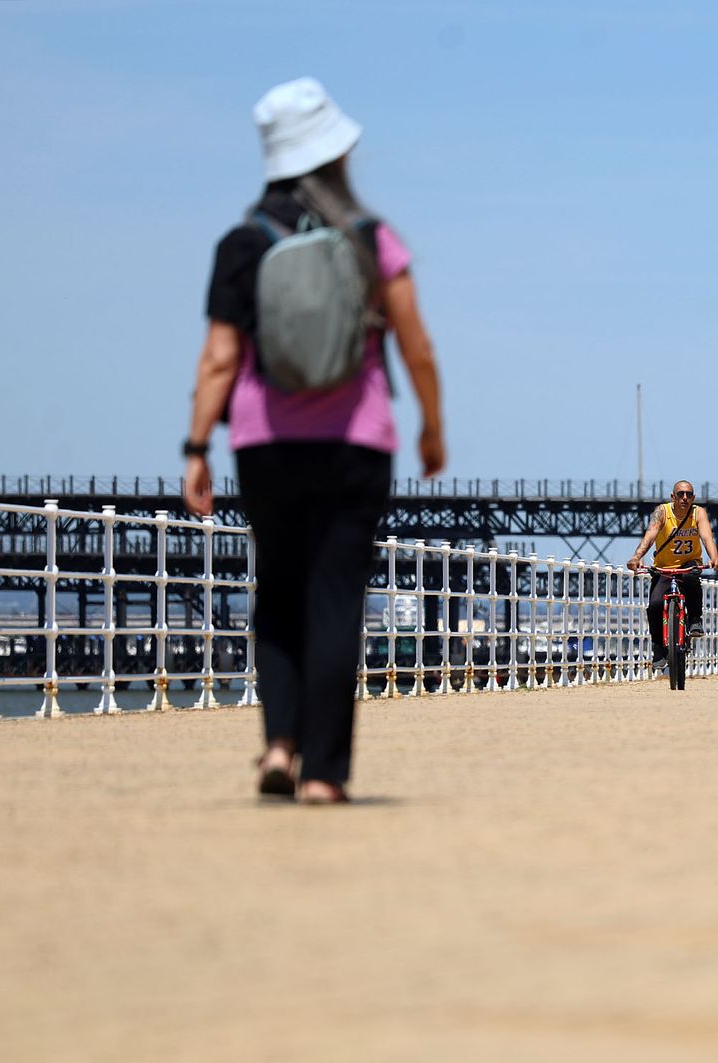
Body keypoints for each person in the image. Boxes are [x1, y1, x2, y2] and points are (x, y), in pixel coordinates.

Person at [183, 78, 445, 804]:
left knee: (279, 591)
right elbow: (416, 344)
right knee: (334, 599)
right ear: (336, 156)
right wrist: (432, 427)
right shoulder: (370, 238)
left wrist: (196, 447)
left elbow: (219, 358)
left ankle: (277, 743)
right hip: (356, 438)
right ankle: (325, 775)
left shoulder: (240, 242)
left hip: (265, 441)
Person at [628, 480, 718, 669]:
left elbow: (706, 537)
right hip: (664, 567)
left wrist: (714, 558)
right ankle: (658, 648)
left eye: (689, 494)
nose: (685, 498)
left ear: (693, 497)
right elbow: (650, 535)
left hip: (689, 564)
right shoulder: (661, 512)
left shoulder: (698, 513)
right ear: (673, 497)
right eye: (680, 494)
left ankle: (695, 620)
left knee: (690, 578)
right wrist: (636, 557)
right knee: (655, 605)